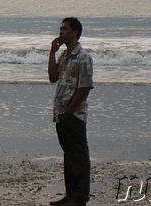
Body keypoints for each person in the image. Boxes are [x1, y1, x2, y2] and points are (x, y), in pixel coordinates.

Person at [47, 17, 93, 206]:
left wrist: (69, 112)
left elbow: (85, 88)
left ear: (75, 32)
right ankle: (71, 194)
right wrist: (52, 52)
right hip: (61, 114)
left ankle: (81, 196)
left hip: (74, 115)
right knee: (68, 155)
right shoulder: (65, 56)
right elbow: (52, 77)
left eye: (64, 29)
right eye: (60, 29)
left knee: (78, 155)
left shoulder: (83, 57)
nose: (61, 32)